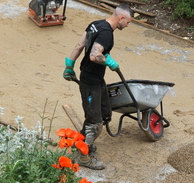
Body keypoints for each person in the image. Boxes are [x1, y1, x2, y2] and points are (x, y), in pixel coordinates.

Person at [62, 4, 134, 170]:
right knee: (95, 123)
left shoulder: (96, 23)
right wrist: (108, 61)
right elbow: (95, 55)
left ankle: (80, 144)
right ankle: (84, 158)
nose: (128, 25)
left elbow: (80, 44)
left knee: (103, 113)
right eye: (128, 22)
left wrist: (69, 65)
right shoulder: (107, 34)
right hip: (91, 82)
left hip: (95, 79)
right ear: (121, 18)